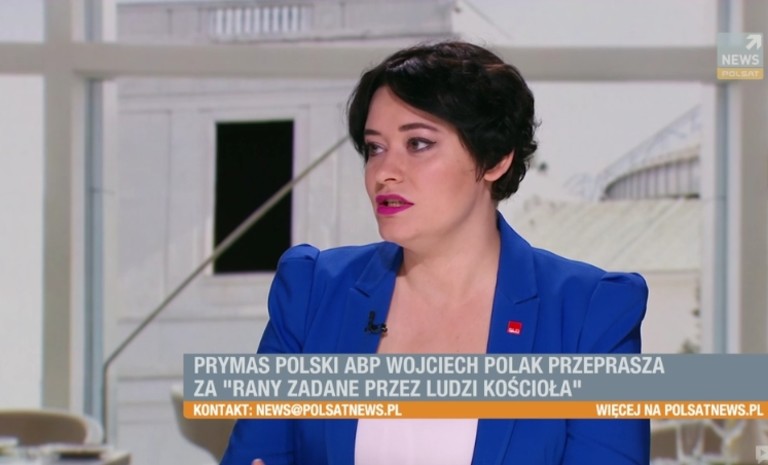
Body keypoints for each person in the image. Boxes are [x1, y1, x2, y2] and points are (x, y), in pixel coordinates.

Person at [220, 41, 649, 465]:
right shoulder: (313, 292)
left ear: (496, 157)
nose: (384, 172)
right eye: (375, 148)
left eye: (418, 143)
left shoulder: (591, 313)